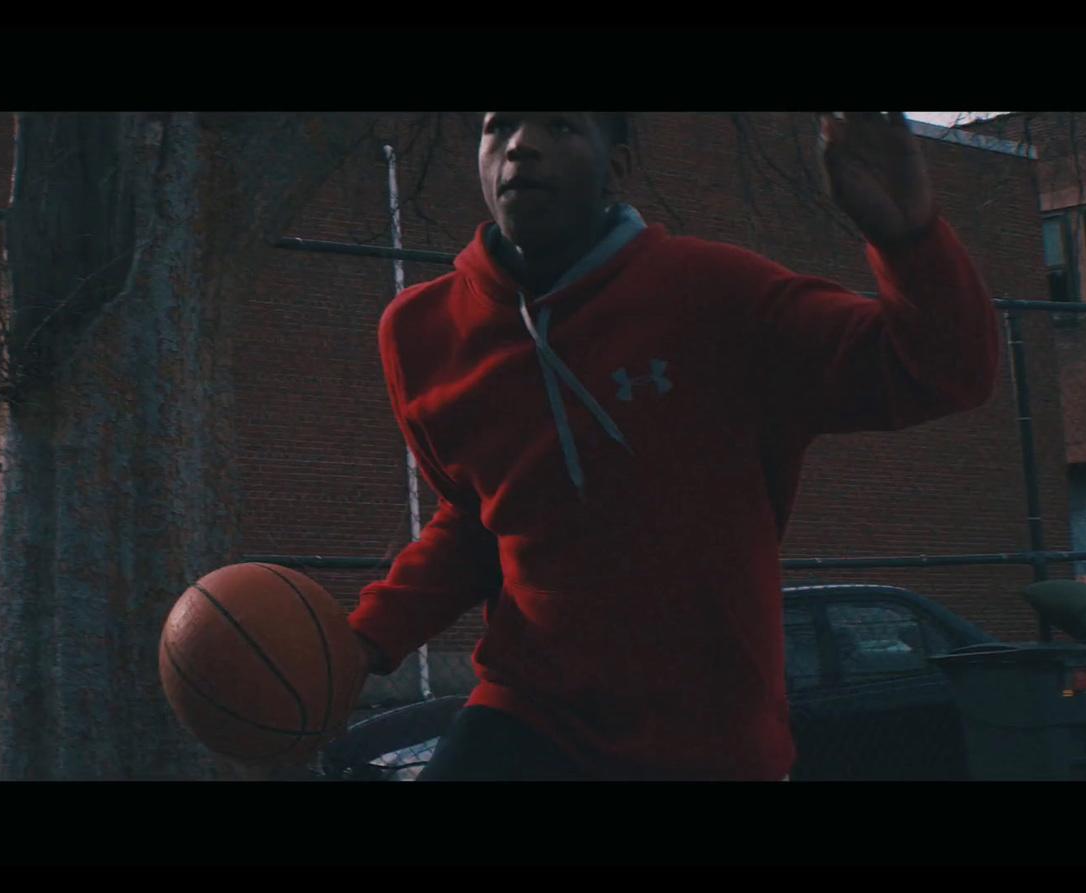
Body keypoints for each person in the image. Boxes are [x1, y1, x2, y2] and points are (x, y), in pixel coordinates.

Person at [345, 112, 1001, 781]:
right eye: (499, 126)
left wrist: (909, 237)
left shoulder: (716, 295)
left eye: (562, 126)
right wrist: (367, 637)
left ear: (618, 169)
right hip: (531, 712)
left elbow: (947, 371)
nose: (521, 145)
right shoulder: (420, 332)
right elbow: (479, 518)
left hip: (707, 738)